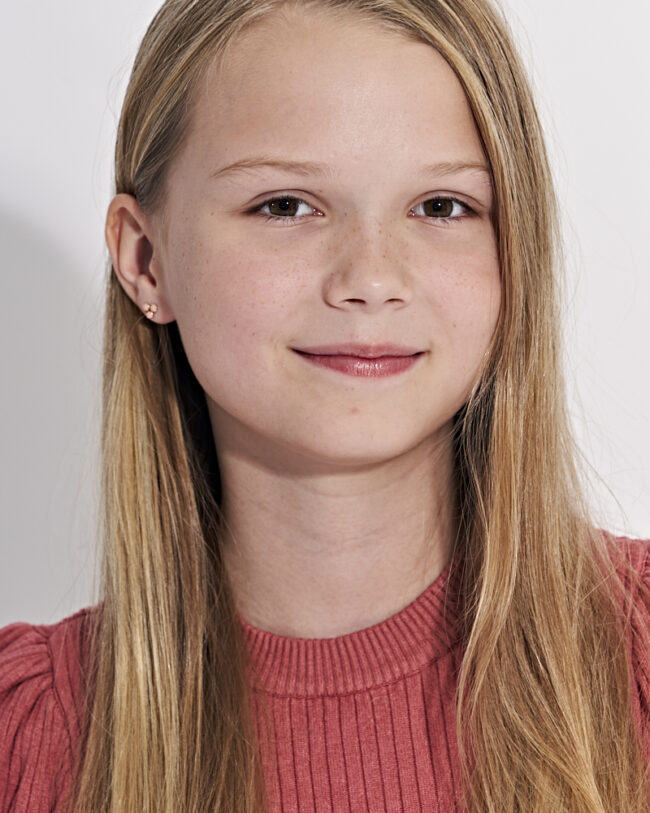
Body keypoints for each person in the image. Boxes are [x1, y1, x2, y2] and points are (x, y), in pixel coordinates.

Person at [1, 0, 649, 810]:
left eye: (440, 206)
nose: (371, 278)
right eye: (286, 206)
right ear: (145, 259)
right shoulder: (25, 746)